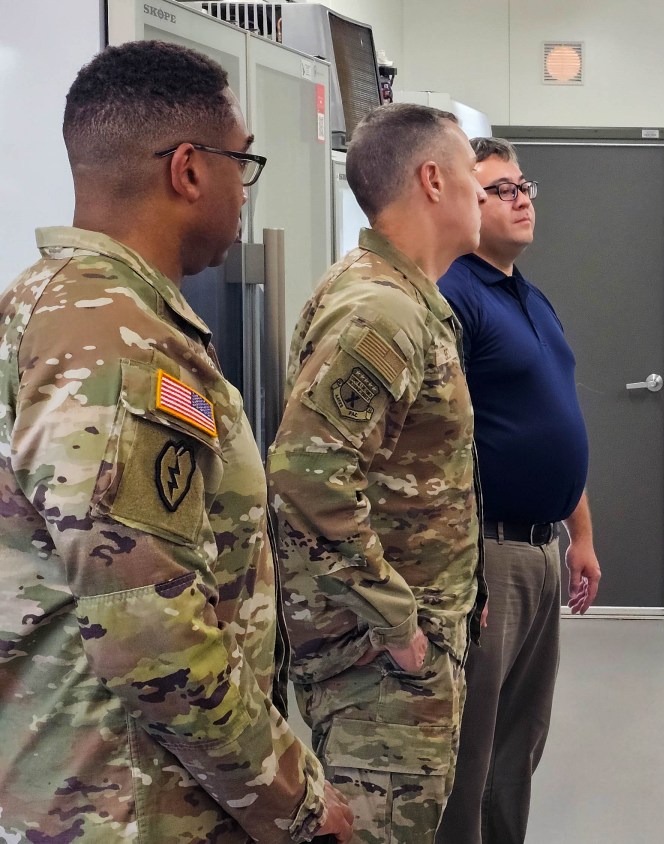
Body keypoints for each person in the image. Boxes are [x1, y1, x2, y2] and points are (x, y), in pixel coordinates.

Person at [0, 41, 352, 843]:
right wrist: (293, 800)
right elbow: (148, 629)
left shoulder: (49, 302)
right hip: (131, 801)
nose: (243, 191)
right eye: (243, 163)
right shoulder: (116, 338)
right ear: (189, 170)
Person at [266, 103, 486, 843]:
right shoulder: (381, 310)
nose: (482, 192)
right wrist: (397, 621)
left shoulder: (407, 299)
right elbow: (308, 476)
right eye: (471, 174)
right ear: (432, 180)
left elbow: (414, 470)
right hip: (378, 666)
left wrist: (463, 594)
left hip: (406, 643)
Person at [433, 137, 602, 844]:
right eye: (499, 189)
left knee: (519, 743)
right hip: (488, 551)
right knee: (472, 747)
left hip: (540, 547)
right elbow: (439, 440)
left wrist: (581, 533)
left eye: (523, 185)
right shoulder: (454, 297)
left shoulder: (531, 299)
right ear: (463, 202)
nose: (520, 198)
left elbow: (553, 420)